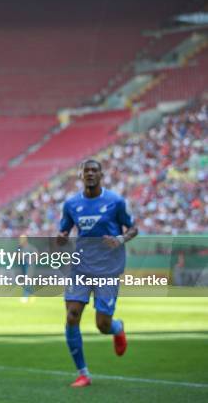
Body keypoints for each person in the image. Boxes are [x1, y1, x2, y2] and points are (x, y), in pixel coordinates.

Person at [58, 159, 138, 387]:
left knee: (102, 325)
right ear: (80, 175)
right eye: (86, 171)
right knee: (72, 315)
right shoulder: (71, 204)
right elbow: (63, 231)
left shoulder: (115, 201)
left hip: (107, 269)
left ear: (101, 175)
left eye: (94, 170)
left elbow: (134, 228)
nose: (90, 174)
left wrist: (119, 239)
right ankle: (83, 373)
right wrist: (61, 238)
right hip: (80, 267)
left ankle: (117, 327)